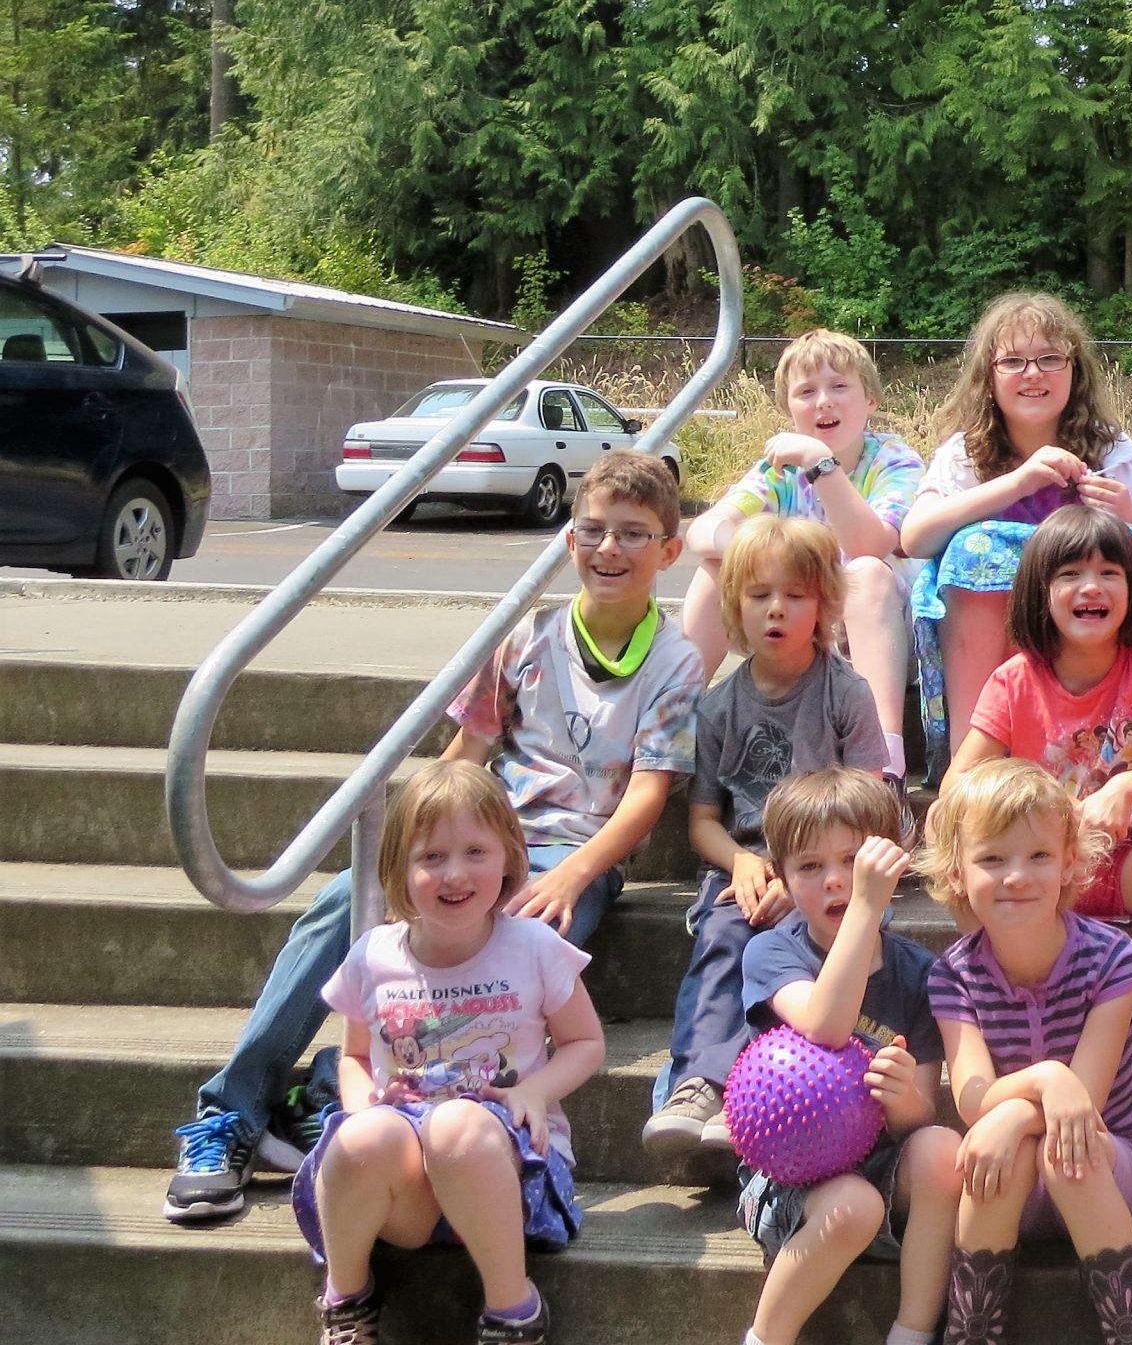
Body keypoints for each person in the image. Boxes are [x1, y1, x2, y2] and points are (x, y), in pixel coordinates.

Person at [166, 451, 703, 1225]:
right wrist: (405, 852)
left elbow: (647, 797)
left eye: (632, 534)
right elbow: (465, 755)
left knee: (515, 940)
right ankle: (232, 1112)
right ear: (568, 541)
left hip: (568, 852)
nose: (609, 549)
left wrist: (575, 876)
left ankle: (326, 1089)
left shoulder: (677, 660)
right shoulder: (526, 636)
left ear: (668, 551)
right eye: (592, 530)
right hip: (481, 826)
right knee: (346, 900)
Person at [291, 761, 603, 1345]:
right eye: (431, 857)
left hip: (507, 1173)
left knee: (457, 1125)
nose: (454, 873)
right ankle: (347, 1301)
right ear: (397, 870)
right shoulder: (375, 956)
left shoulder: (533, 946)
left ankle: (513, 1310)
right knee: (361, 1135)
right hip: (410, 1193)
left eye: (474, 852)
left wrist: (534, 1090)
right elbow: (355, 1058)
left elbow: (586, 1042)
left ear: (510, 857)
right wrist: (364, 1111)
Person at [646, 516, 898, 1165]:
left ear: (823, 606)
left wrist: (807, 875)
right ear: (735, 606)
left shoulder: (845, 692)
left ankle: (752, 1093)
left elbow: (873, 801)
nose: (777, 610)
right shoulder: (719, 706)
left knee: (816, 947)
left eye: (795, 594)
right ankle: (700, 1083)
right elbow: (703, 817)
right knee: (725, 936)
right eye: (759, 595)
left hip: (836, 861)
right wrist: (743, 864)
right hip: (751, 863)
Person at [949, 505, 1132, 1076]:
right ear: (1041, 592)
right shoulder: (1015, 679)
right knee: (962, 834)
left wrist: (1127, 787)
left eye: (1109, 573)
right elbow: (958, 785)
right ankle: (1003, 997)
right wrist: (1035, 807)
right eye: (1070, 574)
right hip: (1048, 876)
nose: (1090, 587)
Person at [918, 758, 1132, 1345]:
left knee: (1064, 1151)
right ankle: (972, 1331)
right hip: (1007, 1180)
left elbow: (1083, 1102)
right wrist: (1035, 1090)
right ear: (957, 872)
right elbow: (972, 1095)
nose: (1017, 877)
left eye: (1037, 857)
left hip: (1107, 1166)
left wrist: (1033, 1095)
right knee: (997, 1150)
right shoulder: (953, 976)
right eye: (992, 859)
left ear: (1068, 864)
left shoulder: (1113, 960)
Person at [900, 292, 1132, 773]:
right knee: (973, 550)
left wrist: (1130, 515)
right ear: (988, 377)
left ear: (1075, 371)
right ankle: (973, 771)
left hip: (1099, 646)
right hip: (1004, 645)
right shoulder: (967, 452)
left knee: (1126, 547)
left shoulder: (1111, 451)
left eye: (1050, 358)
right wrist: (1018, 482)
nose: (1033, 374)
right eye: (1013, 361)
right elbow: (916, 539)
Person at [734, 768, 961, 1345]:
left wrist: (902, 1091)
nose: (835, 881)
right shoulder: (770, 952)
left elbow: (920, 1119)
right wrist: (866, 904)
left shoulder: (918, 973)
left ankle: (911, 1332)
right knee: (854, 1206)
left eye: (852, 862)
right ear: (782, 875)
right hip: (789, 1178)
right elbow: (828, 1027)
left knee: (941, 1150)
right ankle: (765, 1338)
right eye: (810, 867)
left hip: (880, 1165)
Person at [679, 328, 925, 775]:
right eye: (806, 392)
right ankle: (672, 720)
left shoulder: (894, 460)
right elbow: (705, 530)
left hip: (878, 637)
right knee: (718, 566)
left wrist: (821, 464)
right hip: (798, 629)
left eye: (839, 387)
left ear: (870, 399)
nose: (824, 401)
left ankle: (884, 766)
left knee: (867, 572)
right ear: (789, 410)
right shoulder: (779, 473)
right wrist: (762, 556)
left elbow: (870, 544)